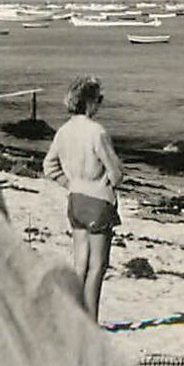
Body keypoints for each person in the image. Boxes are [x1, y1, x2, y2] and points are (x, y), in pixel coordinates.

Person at [43, 76, 124, 322]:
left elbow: (49, 165)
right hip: (98, 201)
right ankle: (90, 321)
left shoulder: (64, 131)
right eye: (99, 99)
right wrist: (110, 181)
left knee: (80, 265)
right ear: (89, 102)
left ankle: (75, 317)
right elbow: (116, 173)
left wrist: (69, 182)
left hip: (75, 198)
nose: (100, 104)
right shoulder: (97, 132)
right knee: (98, 266)